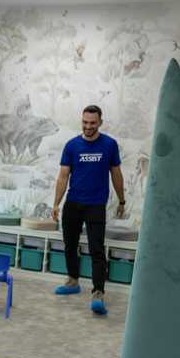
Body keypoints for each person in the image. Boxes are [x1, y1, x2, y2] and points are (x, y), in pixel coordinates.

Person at [52, 105, 126, 315]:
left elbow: (116, 175)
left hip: (96, 205)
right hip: (73, 203)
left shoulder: (110, 145)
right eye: (85, 122)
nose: (88, 126)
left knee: (96, 249)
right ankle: (73, 281)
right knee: (70, 245)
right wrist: (56, 203)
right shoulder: (72, 146)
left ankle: (98, 293)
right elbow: (63, 177)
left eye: (93, 123)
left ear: (100, 122)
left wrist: (122, 200)